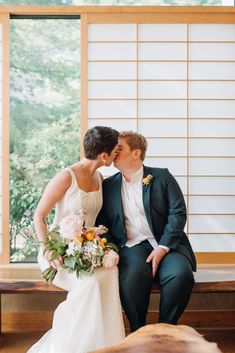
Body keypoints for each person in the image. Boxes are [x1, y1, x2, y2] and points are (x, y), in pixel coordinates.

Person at [27, 126, 125, 353]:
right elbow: (39, 216)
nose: (116, 154)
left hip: (88, 247)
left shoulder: (99, 177)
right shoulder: (65, 177)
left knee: (110, 274)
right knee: (88, 285)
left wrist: (101, 248)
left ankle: (107, 345)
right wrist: (48, 248)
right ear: (104, 155)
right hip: (59, 249)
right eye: (115, 151)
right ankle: (70, 345)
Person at [97, 131, 196, 333]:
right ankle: (138, 332)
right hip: (131, 245)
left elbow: (177, 213)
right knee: (131, 276)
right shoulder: (108, 185)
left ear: (136, 153)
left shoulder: (162, 176)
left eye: (120, 148)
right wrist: (109, 250)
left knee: (180, 275)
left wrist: (163, 247)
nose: (114, 152)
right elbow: (102, 223)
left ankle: (166, 331)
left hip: (168, 243)